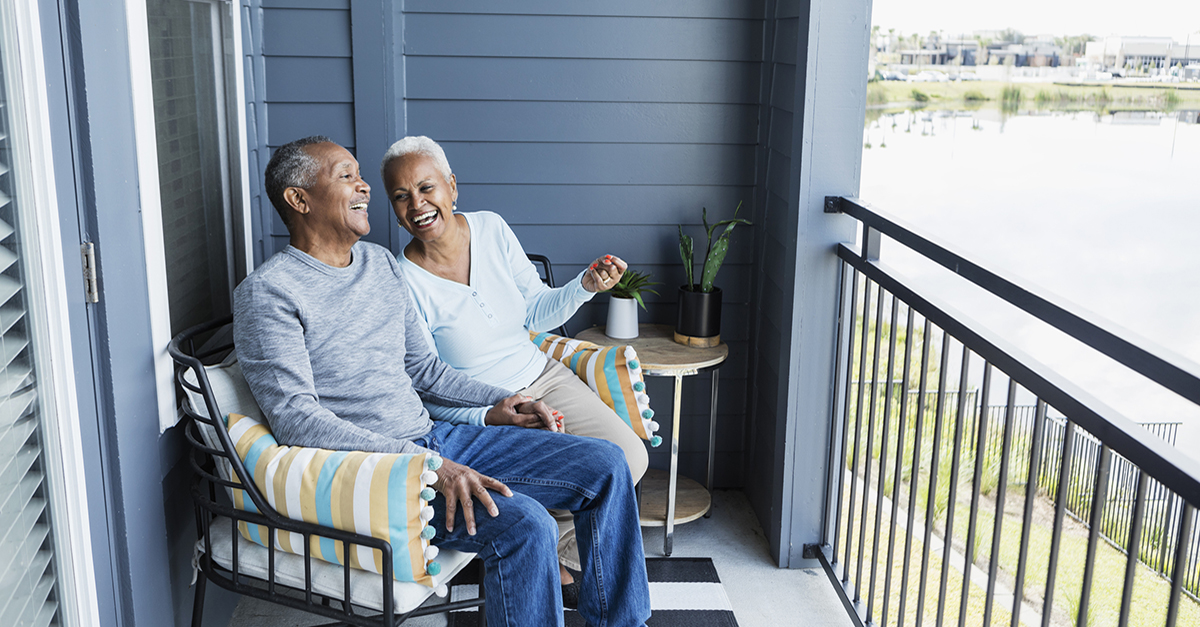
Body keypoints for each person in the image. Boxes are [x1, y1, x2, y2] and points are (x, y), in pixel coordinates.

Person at [232, 135, 651, 627]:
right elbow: (297, 421)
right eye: (345, 176)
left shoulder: (379, 264)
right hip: (381, 472)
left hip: (436, 442)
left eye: (360, 174)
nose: (365, 185)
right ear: (299, 199)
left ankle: (624, 622)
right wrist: (427, 465)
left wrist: (505, 399)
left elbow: (424, 371)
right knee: (526, 525)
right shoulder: (268, 294)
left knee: (606, 464)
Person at [379, 136, 650, 588]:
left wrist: (583, 285)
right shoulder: (401, 278)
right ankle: (541, 550)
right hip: (484, 415)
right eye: (401, 197)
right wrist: (491, 412)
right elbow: (424, 385)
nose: (417, 205)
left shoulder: (490, 228)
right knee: (576, 475)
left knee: (630, 458)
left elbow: (536, 312)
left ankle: (555, 545)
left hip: (541, 373)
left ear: (452, 186)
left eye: (427, 188)